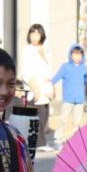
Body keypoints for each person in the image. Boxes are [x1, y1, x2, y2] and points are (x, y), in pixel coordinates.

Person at [19, 23, 53, 152]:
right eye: (32, 33)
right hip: (33, 89)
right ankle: (40, 144)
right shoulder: (27, 50)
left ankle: (36, 142)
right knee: (36, 116)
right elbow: (25, 72)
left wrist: (51, 87)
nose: (34, 36)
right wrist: (34, 87)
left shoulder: (47, 50)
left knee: (44, 115)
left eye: (37, 33)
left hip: (46, 89)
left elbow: (49, 70)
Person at [50, 44, 87, 148]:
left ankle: (75, 141)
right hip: (68, 98)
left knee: (76, 122)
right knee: (63, 119)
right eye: (75, 54)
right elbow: (56, 77)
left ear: (82, 56)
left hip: (79, 99)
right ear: (71, 55)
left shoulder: (83, 67)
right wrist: (49, 84)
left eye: (79, 54)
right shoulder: (65, 67)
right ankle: (58, 139)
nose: (77, 56)